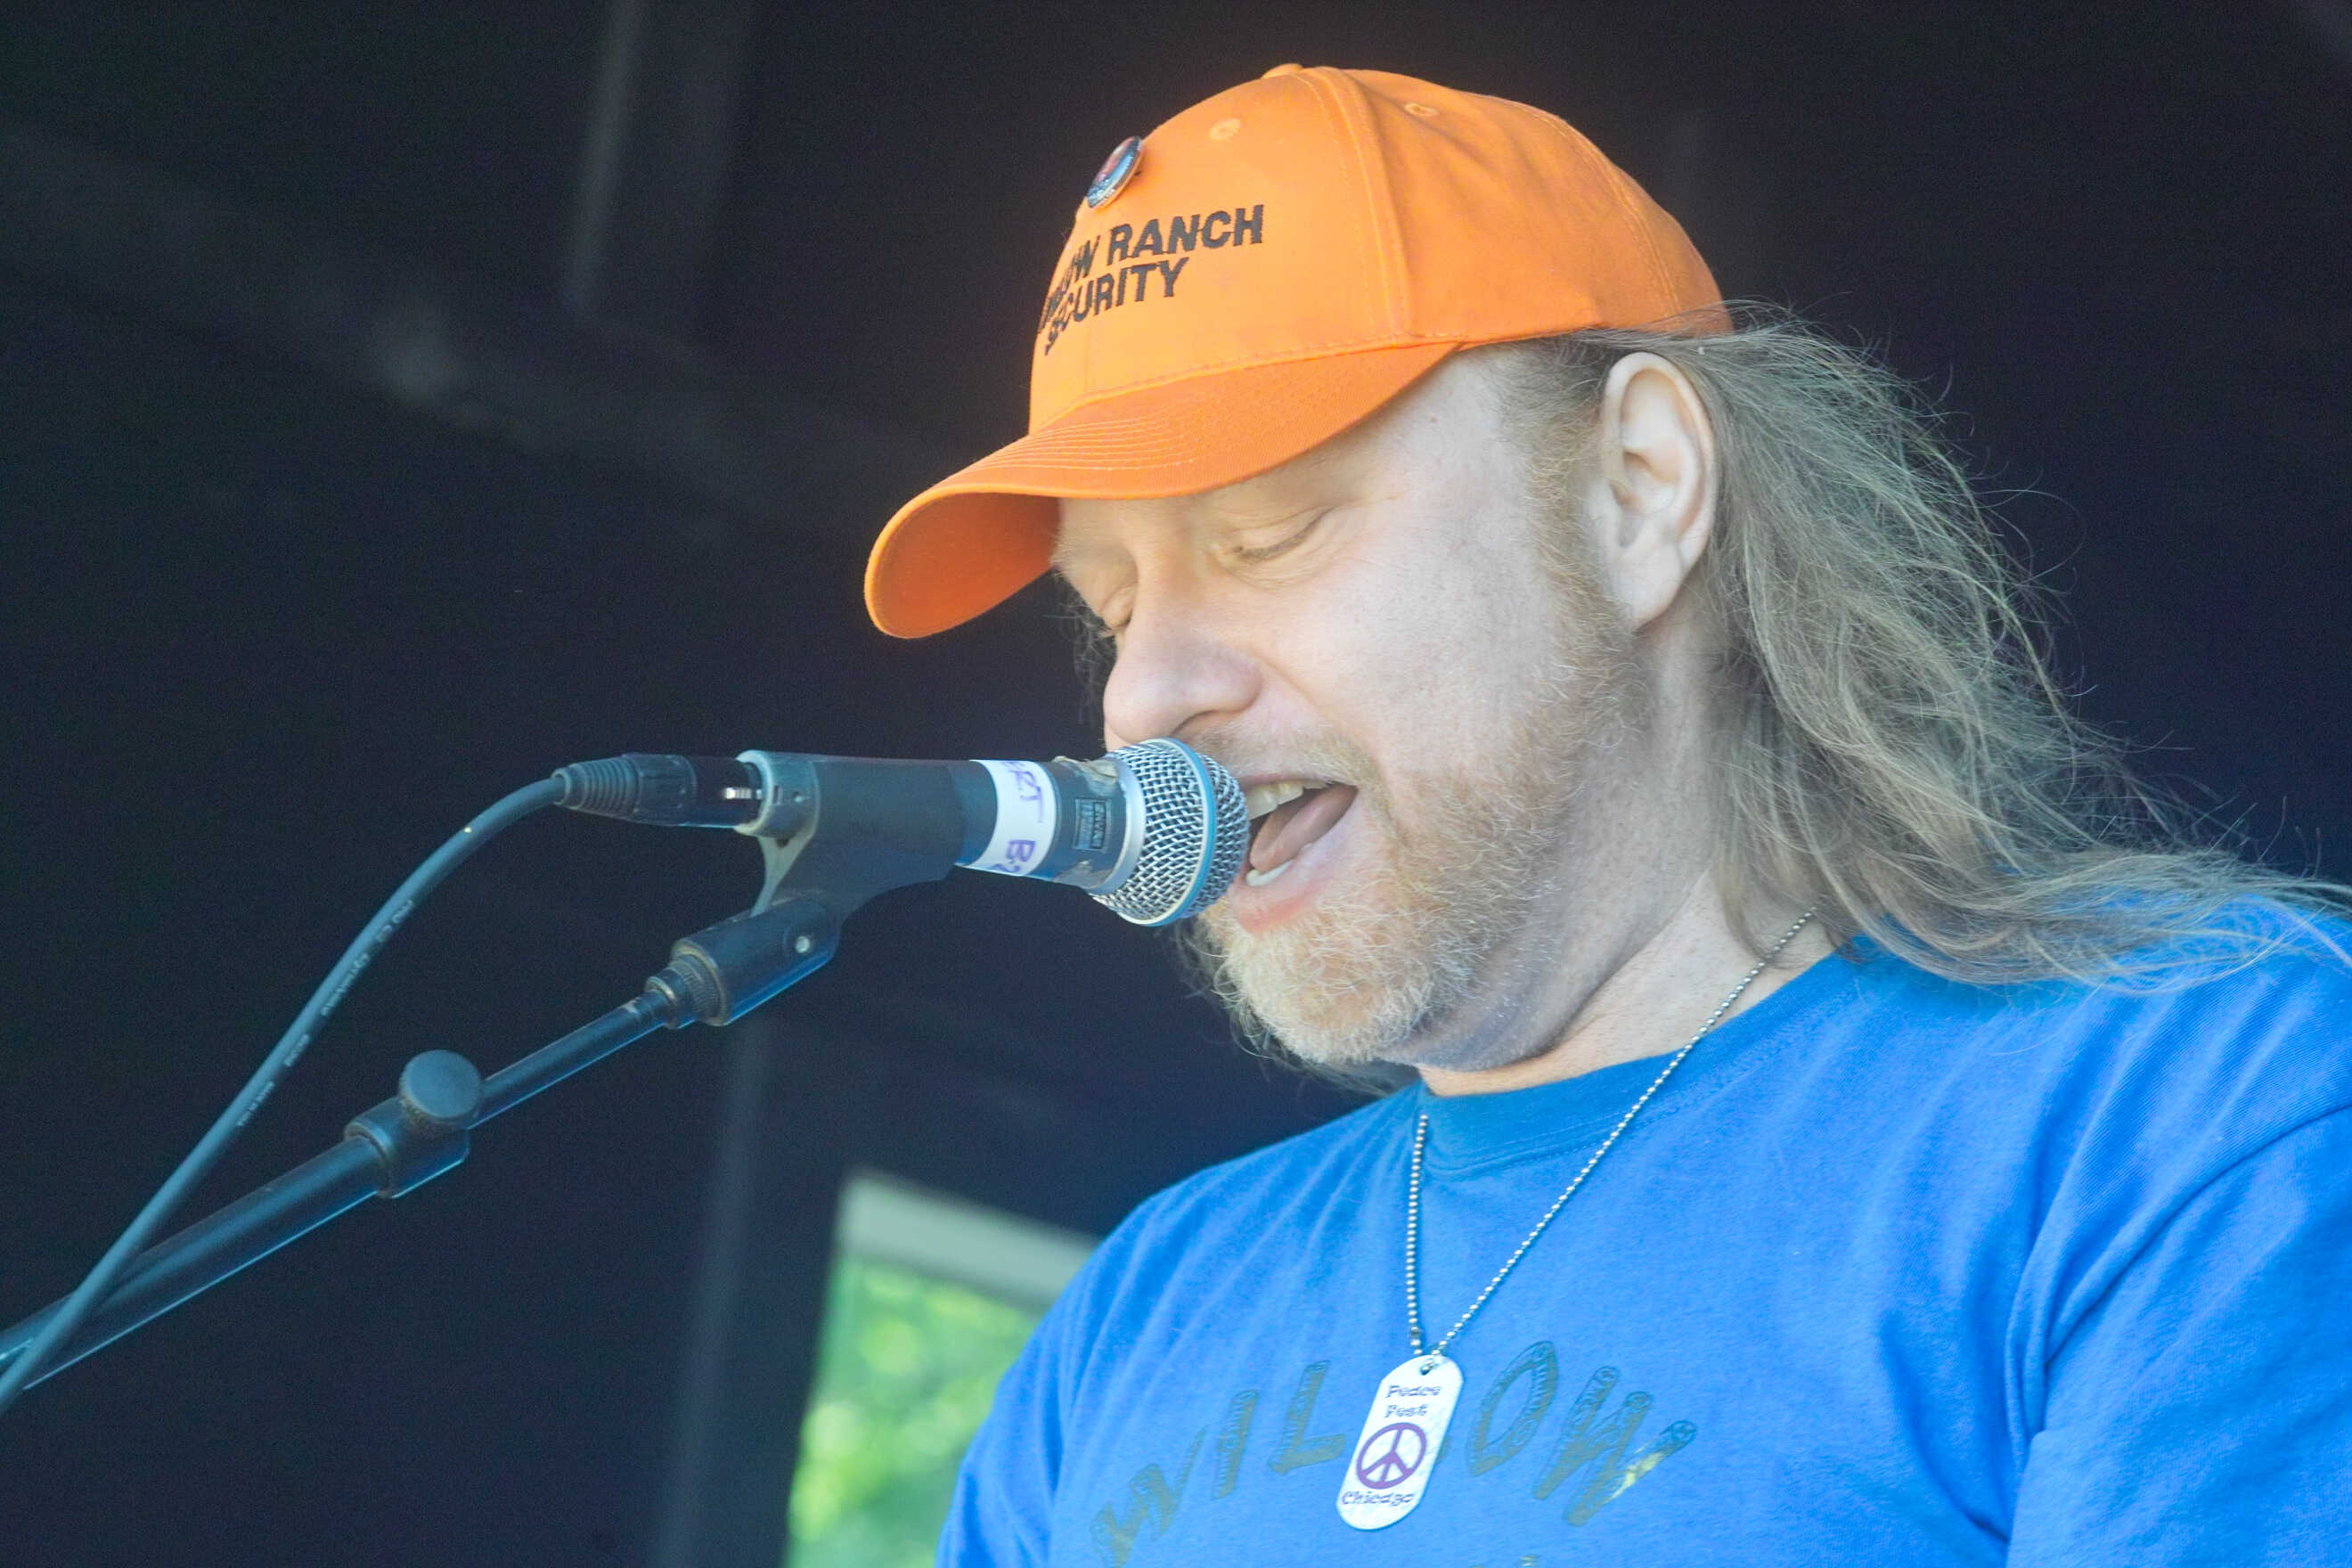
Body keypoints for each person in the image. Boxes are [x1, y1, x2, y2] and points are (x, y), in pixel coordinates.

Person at [861, 66, 2352, 1564]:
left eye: (1270, 534)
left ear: (1639, 488)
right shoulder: (1137, 1319)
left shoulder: (2183, 1103)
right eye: (1113, 608)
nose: (1142, 698)